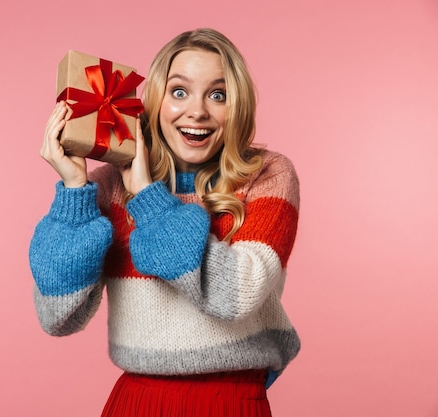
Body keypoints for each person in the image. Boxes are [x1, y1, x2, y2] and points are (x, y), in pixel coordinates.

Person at [29, 28, 300, 417]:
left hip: (231, 402)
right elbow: (57, 315)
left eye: (218, 94)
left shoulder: (268, 175)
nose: (198, 111)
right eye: (179, 91)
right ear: (153, 101)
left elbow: (234, 295)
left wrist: (148, 199)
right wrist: (75, 191)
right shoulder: (109, 184)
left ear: (237, 106)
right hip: (137, 402)